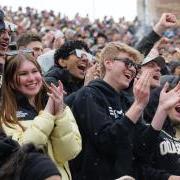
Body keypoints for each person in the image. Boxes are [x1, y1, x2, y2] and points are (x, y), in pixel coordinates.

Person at [66, 41, 180, 179]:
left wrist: (162, 109)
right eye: (127, 63)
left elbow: (142, 148)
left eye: (135, 66)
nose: (132, 69)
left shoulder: (127, 101)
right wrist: (138, 106)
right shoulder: (89, 94)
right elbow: (106, 142)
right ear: (108, 63)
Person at [1, 51, 82, 180]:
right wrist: (48, 115)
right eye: (23, 74)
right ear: (10, 81)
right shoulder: (5, 114)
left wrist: (60, 115)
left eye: (35, 71)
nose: (32, 78)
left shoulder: (59, 105)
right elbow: (20, 153)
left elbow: (68, 153)